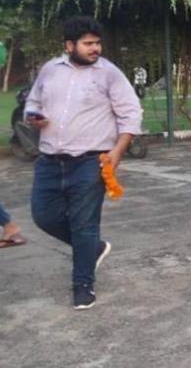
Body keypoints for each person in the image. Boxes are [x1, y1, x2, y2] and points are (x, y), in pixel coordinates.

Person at [26, 16, 142, 310]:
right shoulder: (50, 70)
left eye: (97, 43)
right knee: (43, 217)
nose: (95, 49)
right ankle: (96, 249)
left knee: (84, 225)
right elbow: (33, 101)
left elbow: (131, 113)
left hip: (91, 162)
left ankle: (83, 285)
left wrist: (117, 152)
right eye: (88, 43)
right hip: (50, 160)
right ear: (69, 45)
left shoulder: (110, 74)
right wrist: (33, 116)